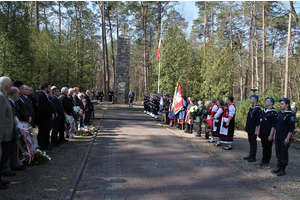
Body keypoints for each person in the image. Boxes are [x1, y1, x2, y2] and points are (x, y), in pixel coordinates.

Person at [271, 98, 295, 176]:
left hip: (284, 137)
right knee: (278, 152)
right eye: (280, 104)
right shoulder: (280, 113)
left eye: (282, 104)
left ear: (287, 105)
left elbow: (291, 128)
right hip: (278, 136)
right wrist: (274, 134)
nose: (280, 105)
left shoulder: (290, 115)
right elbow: (276, 125)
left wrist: (288, 138)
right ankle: (279, 166)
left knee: (283, 153)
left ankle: (283, 169)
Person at [7, 87, 27, 171]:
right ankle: (14, 163)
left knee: (16, 146)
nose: (19, 95)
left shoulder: (14, 102)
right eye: (18, 93)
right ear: (13, 94)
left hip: (18, 125)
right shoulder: (8, 102)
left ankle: (17, 161)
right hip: (11, 127)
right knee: (13, 147)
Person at [0, 76, 14, 190]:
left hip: (7, 131)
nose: (11, 86)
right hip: (4, 132)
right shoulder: (1, 97)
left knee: (4, 155)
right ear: (7, 86)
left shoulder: (3, 96)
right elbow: (0, 117)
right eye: (10, 84)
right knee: (2, 155)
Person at [257, 97, 277, 169]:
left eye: (268, 101)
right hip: (263, 132)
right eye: (266, 101)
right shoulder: (264, 111)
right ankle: (263, 161)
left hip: (268, 133)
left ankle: (267, 162)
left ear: (271, 103)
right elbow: (260, 122)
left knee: (268, 148)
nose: (266, 102)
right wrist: (258, 131)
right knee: (264, 147)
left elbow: (274, 125)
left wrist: (271, 134)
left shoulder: (273, 113)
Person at [36, 83, 55, 151]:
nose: (50, 90)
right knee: (43, 133)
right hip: (43, 118)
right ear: (45, 88)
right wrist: (50, 115)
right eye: (49, 88)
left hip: (46, 118)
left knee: (47, 132)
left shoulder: (45, 96)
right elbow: (44, 108)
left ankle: (46, 144)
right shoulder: (41, 96)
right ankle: (42, 146)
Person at [244, 94, 261, 162]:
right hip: (249, 127)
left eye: (252, 99)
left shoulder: (258, 109)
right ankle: (250, 154)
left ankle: (253, 156)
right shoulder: (251, 108)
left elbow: (258, 120)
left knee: (253, 142)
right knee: (250, 141)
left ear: (256, 100)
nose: (250, 100)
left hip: (254, 128)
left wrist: (257, 129)